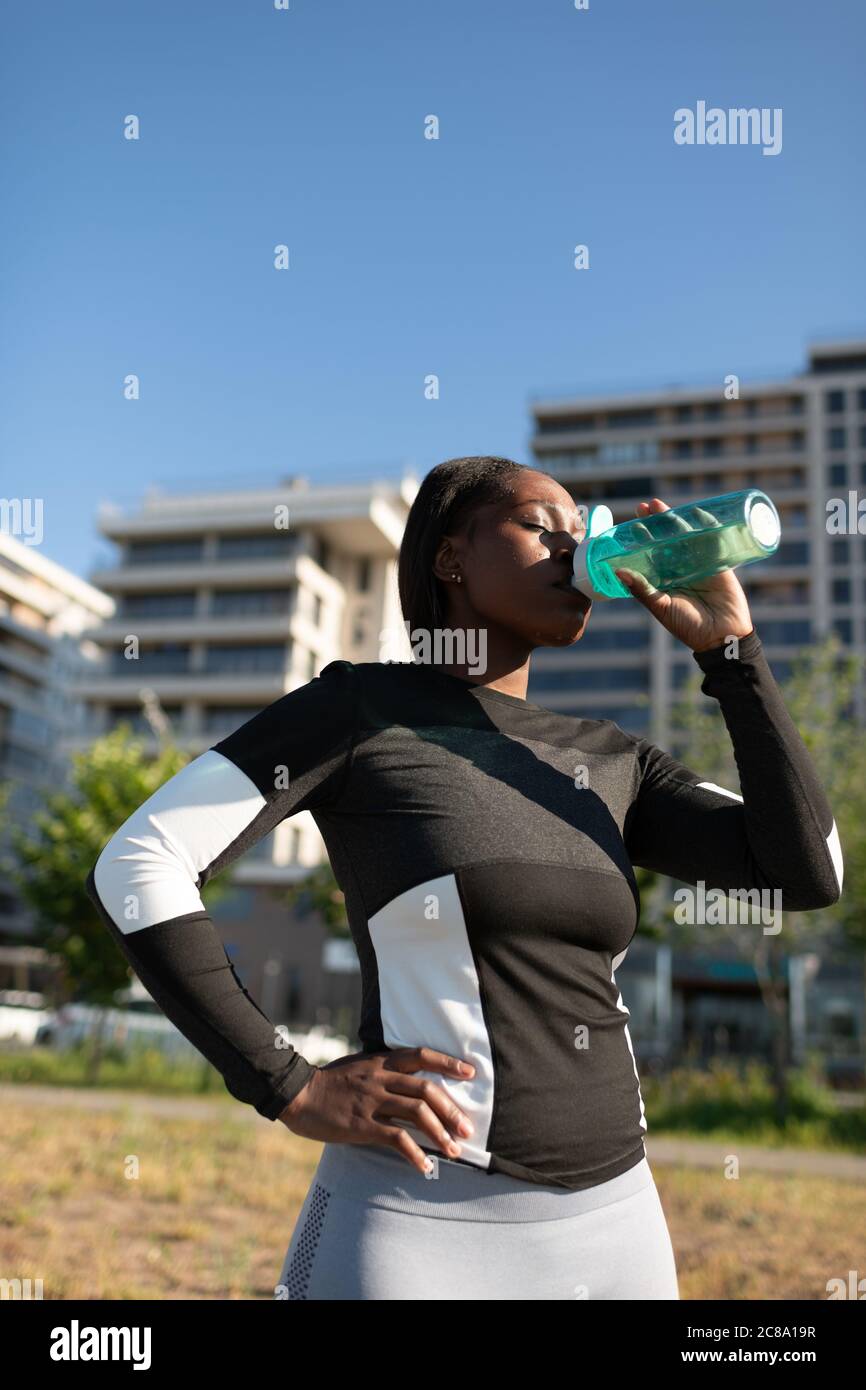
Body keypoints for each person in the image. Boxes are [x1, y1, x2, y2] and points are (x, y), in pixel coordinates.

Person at [85, 456, 843, 1300]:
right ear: (451, 560)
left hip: (620, 1226)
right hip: (416, 1229)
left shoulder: (614, 761)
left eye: (580, 531)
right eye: (539, 527)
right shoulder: (359, 712)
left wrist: (733, 655)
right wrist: (287, 1084)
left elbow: (810, 870)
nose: (574, 548)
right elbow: (139, 861)